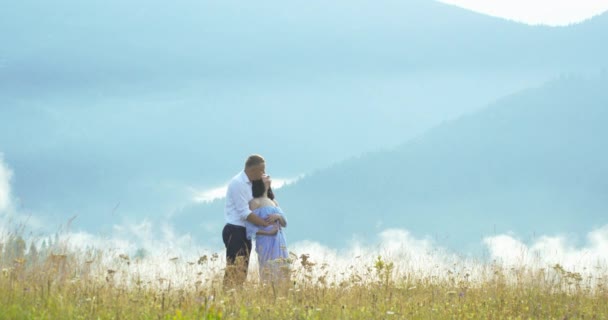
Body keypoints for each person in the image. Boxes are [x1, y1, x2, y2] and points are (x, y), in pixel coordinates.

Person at [222, 154, 272, 288]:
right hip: (235, 230)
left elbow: (264, 201)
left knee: (242, 270)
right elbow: (245, 213)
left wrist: (266, 187)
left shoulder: (254, 183)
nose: (264, 173)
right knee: (234, 269)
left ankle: (234, 298)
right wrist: (265, 224)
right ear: (253, 170)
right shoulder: (238, 183)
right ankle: (227, 297)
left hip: (246, 231)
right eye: (262, 170)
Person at [245, 175, 289, 284]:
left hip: (279, 240)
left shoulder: (274, 202)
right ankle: (268, 293)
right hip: (265, 240)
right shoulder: (255, 202)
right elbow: (249, 227)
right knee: (268, 269)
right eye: (264, 176)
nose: (267, 175)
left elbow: (285, 223)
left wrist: (278, 216)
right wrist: (268, 232)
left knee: (282, 268)